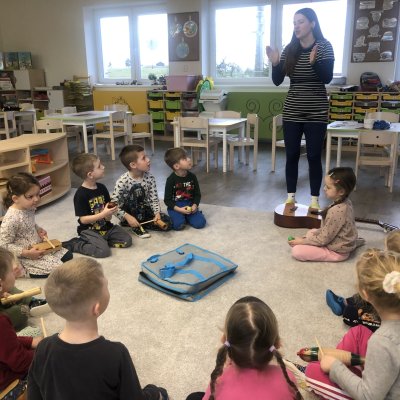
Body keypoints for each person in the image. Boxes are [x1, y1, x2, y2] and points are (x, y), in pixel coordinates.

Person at [27, 257, 168, 400]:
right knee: (156, 392)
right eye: (106, 286)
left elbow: (34, 393)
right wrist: (153, 393)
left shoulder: (43, 348)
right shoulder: (115, 354)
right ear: (96, 308)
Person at [305, 249, 400, 399]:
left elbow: (368, 396)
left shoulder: (382, 342)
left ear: (365, 294)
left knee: (311, 372)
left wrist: (335, 368)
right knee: (359, 331)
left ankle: (340, 373)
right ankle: (348, 370)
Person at [266, 8, 334, 209]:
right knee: (292, 155)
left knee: (313, 156)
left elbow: (327, 78)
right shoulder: (290, 49)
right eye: (294, 22)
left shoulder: (324, 46)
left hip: (316, 112)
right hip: (292, 111)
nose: (296, 26)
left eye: (301, 21)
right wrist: (276, 63)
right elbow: (277, 81)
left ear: (312, 23)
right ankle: (291, 197)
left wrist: (314, 63)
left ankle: (314, 200)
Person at [186, 296, 302, 400]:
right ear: (277, 344)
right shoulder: (287, 377)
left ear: (224, 340)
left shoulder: (219, 381)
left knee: (193, 397)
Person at [0, 172, 72, 278]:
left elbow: (30, 223)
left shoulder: (29, 207)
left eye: (38, 194)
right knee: (59, 269)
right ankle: (25, 270)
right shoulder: (11, 219)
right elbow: (4, 245)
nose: (36, 199)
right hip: (25, 255)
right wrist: (26, 253)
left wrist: (38, 229)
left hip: (37, 246)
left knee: (68, 255)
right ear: (15, 199)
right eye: (30, 196)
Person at [326, 230, 400, 331]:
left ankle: (345, 304)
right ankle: (348, 302)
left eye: (387, 251)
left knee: (350, 313)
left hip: (389, 314)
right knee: (375, 286)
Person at [64, 153, 132, 258]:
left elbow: (108, 215)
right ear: (90, 174)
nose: (103, 167)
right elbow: (83, 220)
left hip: (106, 227)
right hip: (89, 230)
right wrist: (103, 214)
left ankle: (101, 241)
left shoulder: (102, 188)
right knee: (103, 252)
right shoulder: (80, 194)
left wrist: (110, 212)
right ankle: (76, 244)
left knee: (127, 240)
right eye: (99, 166)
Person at [288, 167, 363, 262]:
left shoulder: (336, 211)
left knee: (297, 251)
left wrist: (303, 241)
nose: (324, 189)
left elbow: (323, 240)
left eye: (328, 187)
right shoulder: (346, 202)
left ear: (341, 192)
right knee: (312, 232)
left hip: (337, 251)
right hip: (340, 241)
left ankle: (334, 254)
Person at [0, 247, 43, 399]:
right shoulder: (1, 322)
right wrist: (45, 352)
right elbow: (20, 362)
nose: (15, 273)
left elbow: (5, 342)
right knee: (52, 363)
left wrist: (30, 342)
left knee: (34, 333)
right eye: (11, 271)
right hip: (5, 381)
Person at [111, 144, 171, 239]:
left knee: (169, 223)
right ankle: (132, 223)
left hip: (143, 208)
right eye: (144, 158)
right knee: (136, 188)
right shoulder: (122, 181)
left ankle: (140, 222)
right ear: (133, 165)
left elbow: (153, 198)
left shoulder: (150, 177)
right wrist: (127, 216)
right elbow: (112, 206)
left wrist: (157, 213)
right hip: (128, 211)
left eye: (146, 157)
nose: (148, 160)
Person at [164, 147, 206, 230]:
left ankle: (188, 217)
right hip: (176, 207)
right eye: (184, 158)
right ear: (176, 166)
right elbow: (167, 200)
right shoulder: (171, 180)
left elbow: (197, 194)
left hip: (190, 205)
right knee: (178, 225)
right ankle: (182, 217)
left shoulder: (192, 177)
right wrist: (179, 210)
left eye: (187, 157)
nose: (189, 159)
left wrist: (195, 205)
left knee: (201, 223)